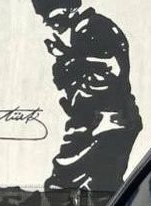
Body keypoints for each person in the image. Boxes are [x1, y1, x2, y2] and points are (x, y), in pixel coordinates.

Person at [32, 0, 142, 191]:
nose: (46, 21)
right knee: (100, 185)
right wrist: (65, 57)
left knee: (62, 183)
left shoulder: (94, 26)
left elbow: (114, 67)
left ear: (69, 6)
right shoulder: (80, 30)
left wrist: (70, 57)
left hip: (104, 122)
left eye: (49, 13)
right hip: (99, 121)